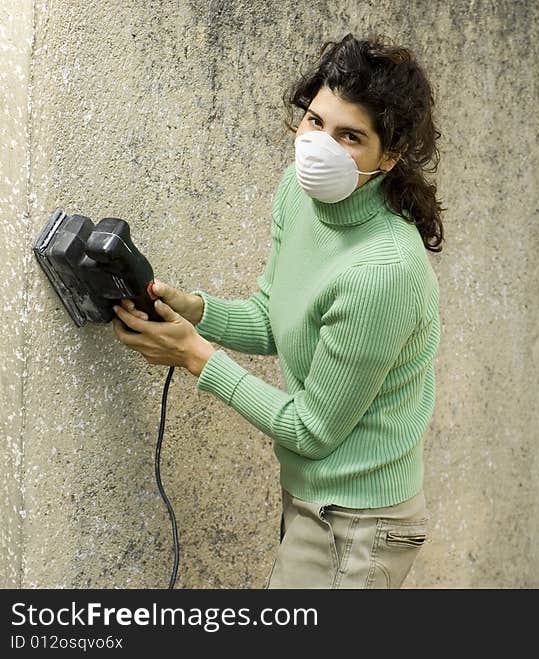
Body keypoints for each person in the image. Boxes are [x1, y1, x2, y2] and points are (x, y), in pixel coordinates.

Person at [110, 33, 444, 589]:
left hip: (358, 523)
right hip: (313, 498)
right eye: (315, 121)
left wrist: (196, 357)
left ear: (391, 155)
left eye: (350, 137)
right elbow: (273, 315)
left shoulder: (383, 273)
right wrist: (194, 310)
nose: (320, 146)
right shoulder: (299, 192)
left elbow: (312, 430)